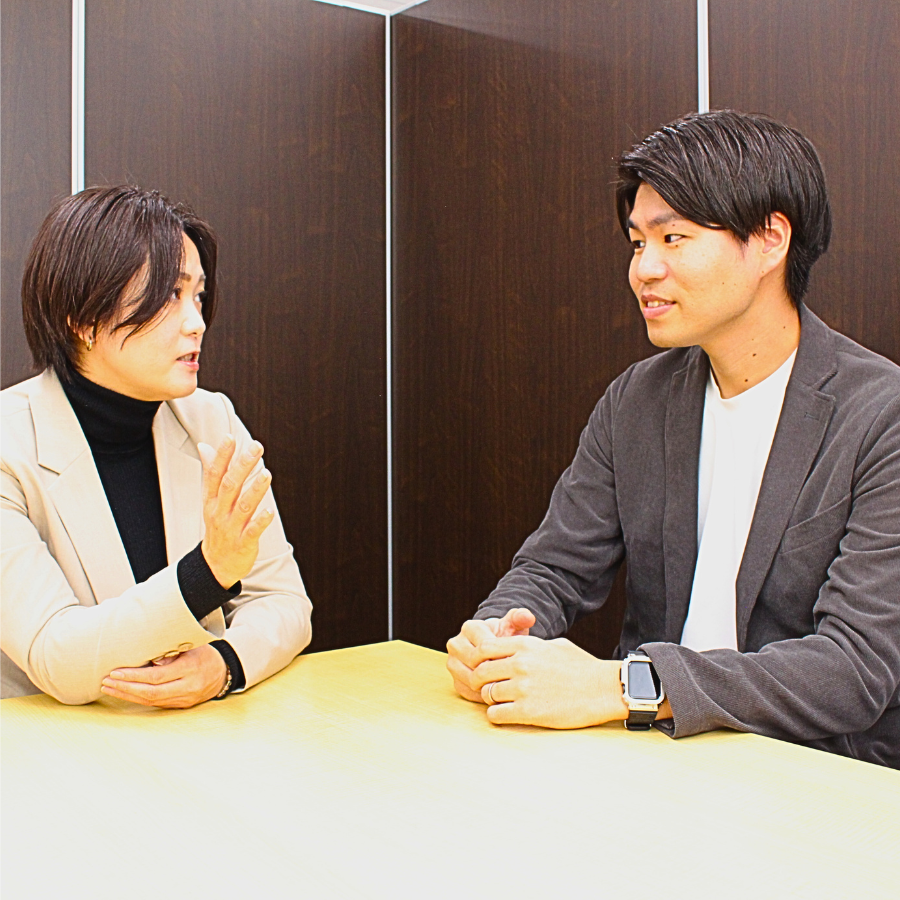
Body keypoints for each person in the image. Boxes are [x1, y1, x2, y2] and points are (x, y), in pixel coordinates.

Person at [446, 110, 900, 768]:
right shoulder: (637, 399)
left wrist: (623, 686)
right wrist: (497, 635)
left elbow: (853, 669)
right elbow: (553, 569)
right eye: (637, 243)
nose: (644, 270)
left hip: (813, 778)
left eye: (674, 238)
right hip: (656, 765)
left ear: (770, 240)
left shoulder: (881, 415)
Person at [1, 185, 312, 707]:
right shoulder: (8, 443)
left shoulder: (211, 419)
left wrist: (225, 663)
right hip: (53, 744)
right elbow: (59, 657)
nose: (197, 322)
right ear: (83, 319)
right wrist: (208, 573)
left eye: (198, 296)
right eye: (170, 296)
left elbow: (284, 602)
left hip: (195, 737)